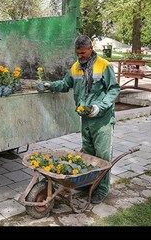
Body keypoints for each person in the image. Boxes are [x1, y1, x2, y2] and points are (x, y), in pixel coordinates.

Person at [42, 35, 120, 204]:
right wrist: (51, 86)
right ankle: (88, 183)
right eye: (77, 53)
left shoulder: (104, 66)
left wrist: (100, 107)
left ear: (91, 48)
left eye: (83, 53)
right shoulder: (76, 67)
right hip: (85, 119)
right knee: (88, 154)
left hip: (102, 120)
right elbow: (65, 84)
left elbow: (114, 89)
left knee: (102, 156)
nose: (80, 56)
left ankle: (102, 189)